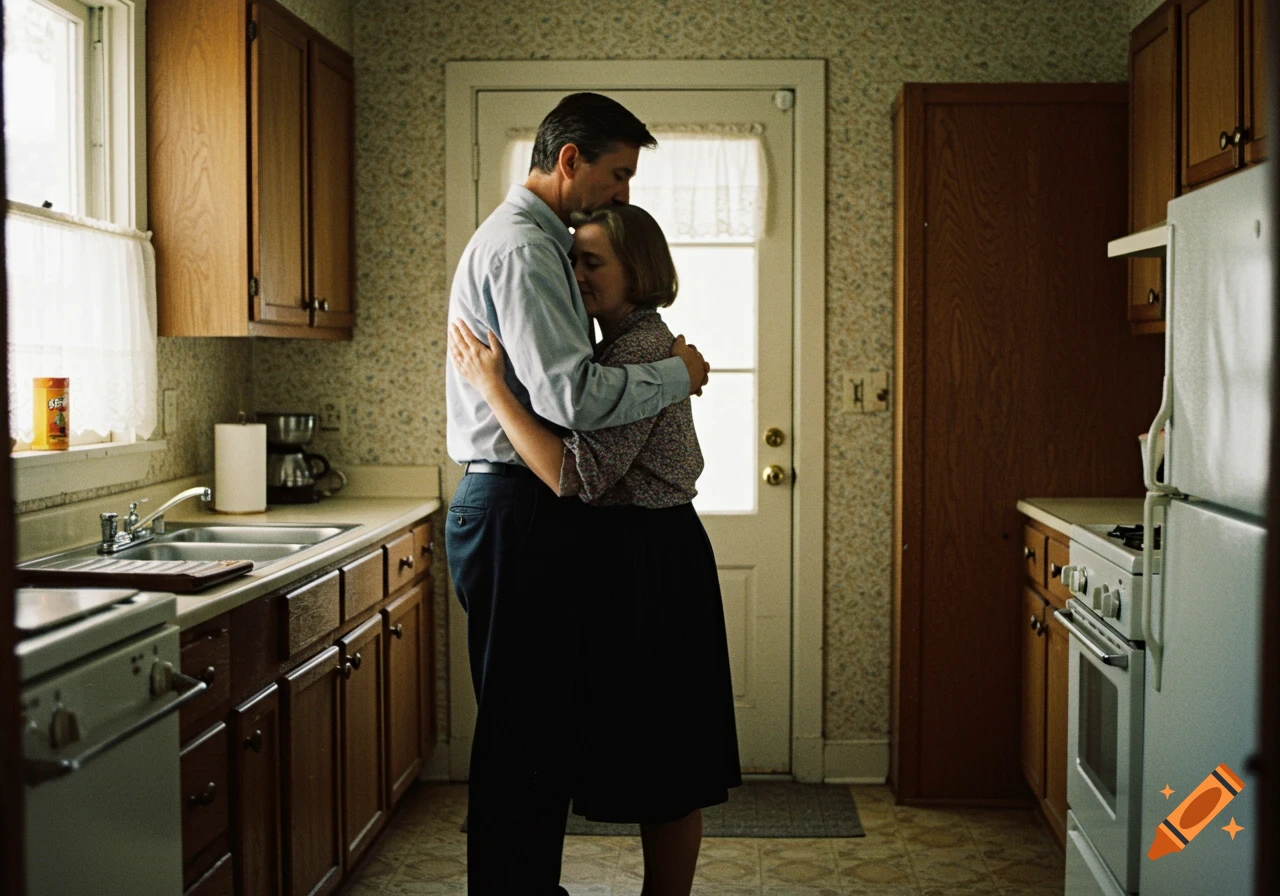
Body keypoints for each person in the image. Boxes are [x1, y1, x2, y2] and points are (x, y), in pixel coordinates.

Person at [444, 92, 710, 896]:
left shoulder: (537, 244)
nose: (623, 191)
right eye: (617, 173)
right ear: (569, 160)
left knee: (532, 733)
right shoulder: (528, 250)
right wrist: (679, 375)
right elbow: (574, 399)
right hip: (517, 504)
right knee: (522, 737)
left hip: (525, 505)